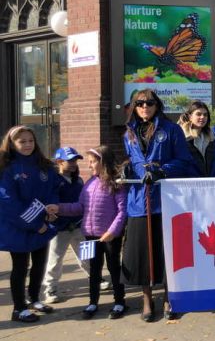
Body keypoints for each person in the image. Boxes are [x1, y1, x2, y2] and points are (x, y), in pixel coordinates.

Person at [121, 89, 193, 321]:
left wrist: (161, 170)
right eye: (140, 103)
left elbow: (183, 161)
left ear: (157, 105)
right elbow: (133, 160)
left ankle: (169, 297)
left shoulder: (171, 130)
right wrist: (126, 168)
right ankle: (146, 298)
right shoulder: (129, 132)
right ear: (134, 106)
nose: (144, 107)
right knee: (142, 254)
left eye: (149, 103)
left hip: (165, 200)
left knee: (166, 252)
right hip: (139, 202)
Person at [47, 146, 128, 319]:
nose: (89, 166)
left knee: (114, 268)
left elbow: (122, 211)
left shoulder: (116, 183)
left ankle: (119, 302)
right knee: (94, 270)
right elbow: (80, 207)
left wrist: (113, 231)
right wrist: (59, 208)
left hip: (109, 237)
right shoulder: (90, 183)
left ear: (103, 162)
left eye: (92, 162)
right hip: (89, 236)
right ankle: (93, 302)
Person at [0, 126, 61, 322]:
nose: (27, 144)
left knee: (39, 263)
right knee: (20, 267)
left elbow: (53, 188)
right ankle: (19, 308)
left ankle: (34, 299)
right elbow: (9, 203)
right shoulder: (7, 168)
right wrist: (36, 225)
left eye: (30, 140)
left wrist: (52, 209)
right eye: (22, 141)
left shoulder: (43, 165)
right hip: (18, 227)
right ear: (11, 144)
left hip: (41, 223)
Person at [41, 147, 91, 304]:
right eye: (69, 160)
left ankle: (96, 277)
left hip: (78, 225)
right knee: (55, 260)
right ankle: (50, 288)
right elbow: (51, 202)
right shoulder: (54, 181)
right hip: (60, 228)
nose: (73, 163)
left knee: (87, 256)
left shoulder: (79, 180)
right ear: (59, 162)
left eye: (75, 160)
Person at [178, 101, 215, 177]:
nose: (202, 117)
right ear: (190, 117)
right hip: (189, 183)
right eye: (198, 114)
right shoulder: (181, 137)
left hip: (208, 183)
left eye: (205, 115)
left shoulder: (212, 138)